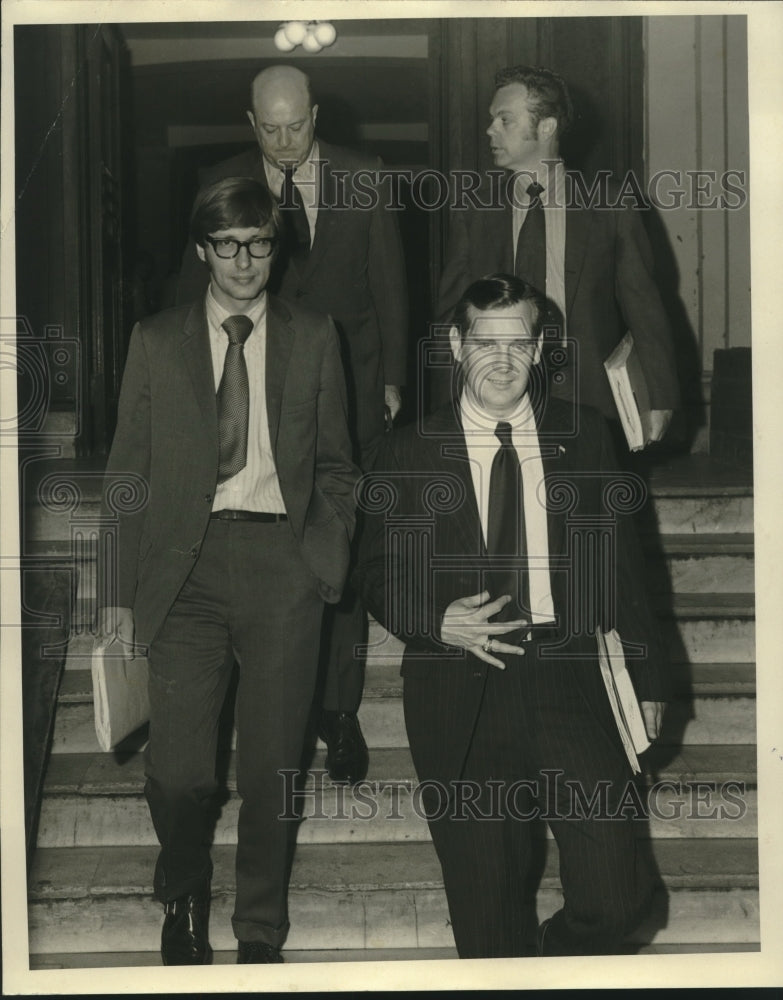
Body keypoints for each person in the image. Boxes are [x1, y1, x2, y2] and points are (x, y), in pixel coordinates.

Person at [356, 273, 671, 957]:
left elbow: (621, 566)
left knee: (619, 894)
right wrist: (433, 619)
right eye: (484, 342)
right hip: (460, 689)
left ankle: (551, 964)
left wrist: (648, 678)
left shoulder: (583, 438)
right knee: (487, 915)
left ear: (538, 349)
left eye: (517, 342)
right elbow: (377, 575)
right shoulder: (408, 451)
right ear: (455, 344)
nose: (501, 360)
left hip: (569, 677)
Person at [96, 177, 358, 965]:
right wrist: (114, 593)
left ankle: (259, 932)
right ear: (203, 248)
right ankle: (182, 889)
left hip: (284, 568)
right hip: (186, 570)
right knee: (179, 775)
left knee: (274, 766)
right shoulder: (155, 339)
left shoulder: (315, 335)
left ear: (277, 248)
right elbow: (126, 475)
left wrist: (325, 550)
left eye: (260, 243)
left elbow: (341, 464)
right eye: (227, 244)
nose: (244, 261)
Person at [176, 64, 409, 783]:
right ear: (251, 123)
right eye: (269, 128)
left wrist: (395, 378)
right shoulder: (221, 179)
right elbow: (193, 295)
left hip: (350, 391)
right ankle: (265, 700)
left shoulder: (364, 176)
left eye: (296, 125)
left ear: (316, 115)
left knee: (333, 547)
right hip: (254, 397)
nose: (284, 141)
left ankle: (337, 713)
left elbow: (391, 288)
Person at [435, 65, 679, 448]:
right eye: (492, 119)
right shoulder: (474, 209)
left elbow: (643, 306)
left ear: (546, 128)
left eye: (505, 120)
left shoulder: (612, 205)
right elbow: (451, 313)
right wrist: (445, 403)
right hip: (497, 397)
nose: (490, 130)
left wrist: (660, 397)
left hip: (591, 403)